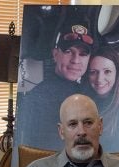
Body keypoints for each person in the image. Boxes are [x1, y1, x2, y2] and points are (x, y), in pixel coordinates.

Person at [16, 23, 94, 151]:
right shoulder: (37, 97)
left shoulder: (87, 91)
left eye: (83, 54)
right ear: (55, 54)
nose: (75, 60)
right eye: (68, 51)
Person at [86, 46, 119, 150]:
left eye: (107, 71)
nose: (99, 79)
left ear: (118, 73)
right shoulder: (87, 101)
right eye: (93, 72)